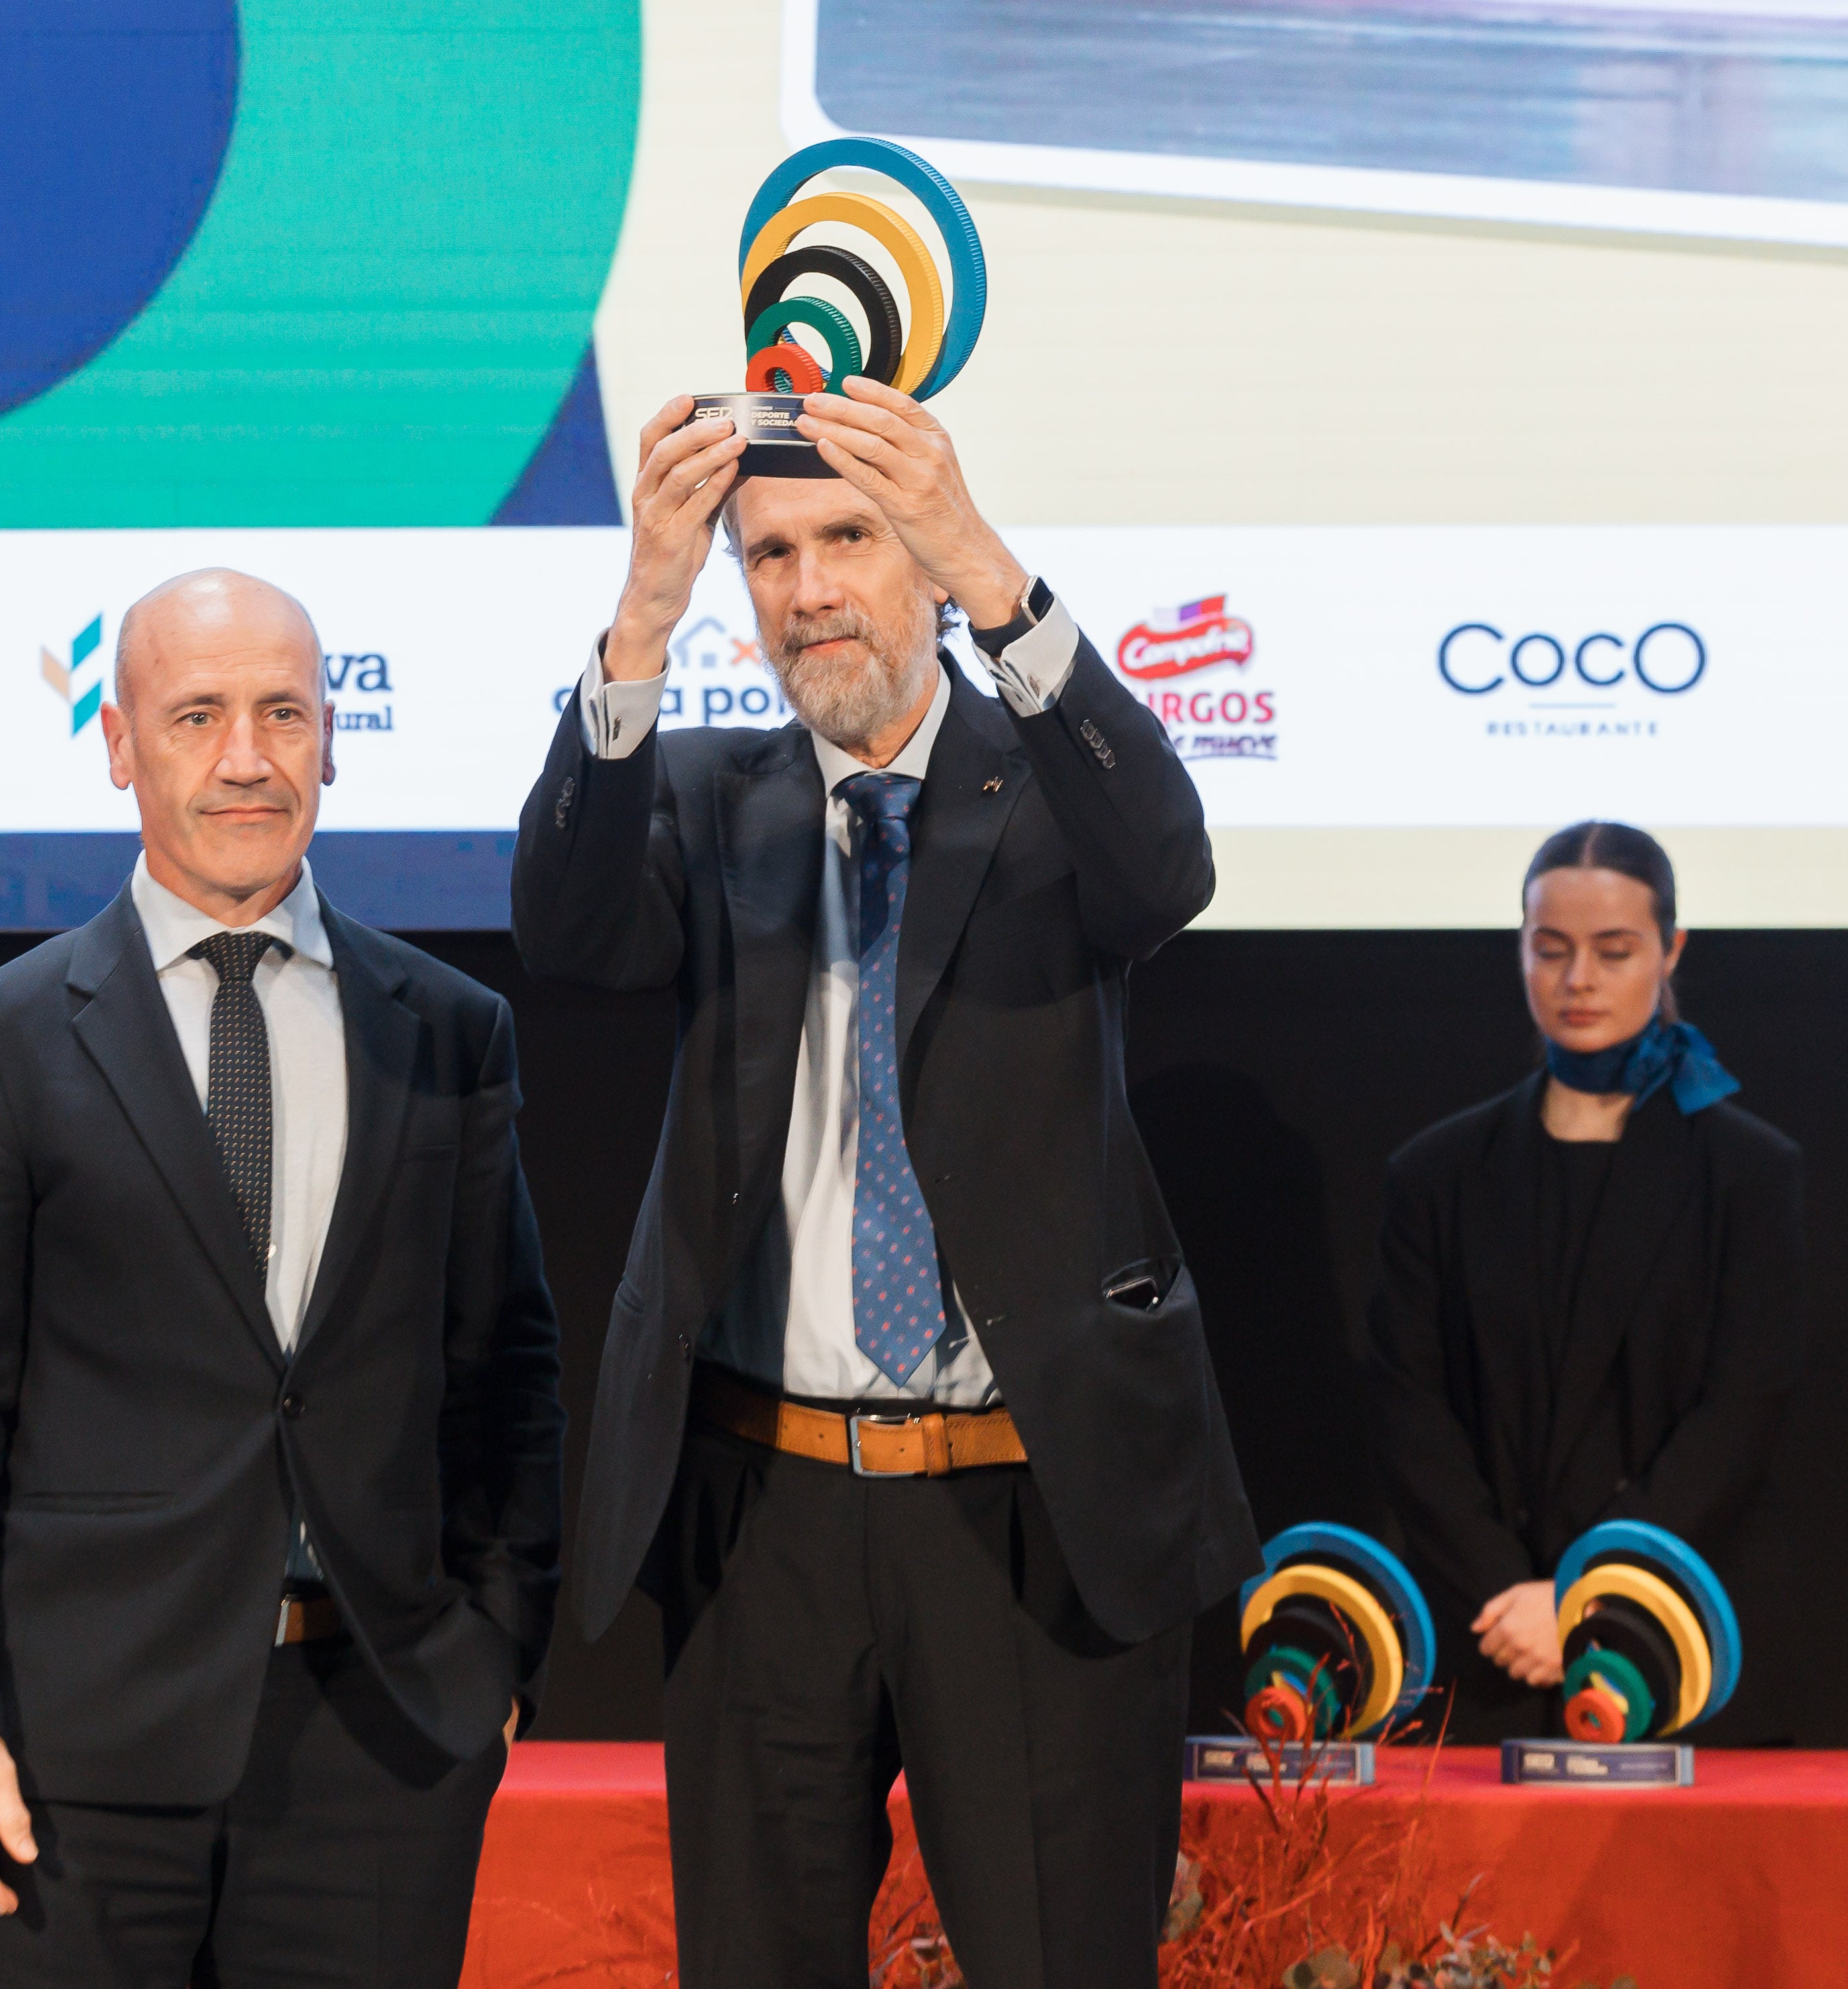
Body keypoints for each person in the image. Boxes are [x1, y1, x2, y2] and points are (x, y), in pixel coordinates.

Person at [511, 377, 1258, 1989]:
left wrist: (989, 560)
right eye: (769, 553)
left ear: (919, 560)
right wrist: (643, 606)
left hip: (1023, 1502)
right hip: (761, 1503)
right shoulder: (714, 805)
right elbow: (569, 934)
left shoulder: (1052, 786)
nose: (809, 589)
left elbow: (1170, 869)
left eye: (850, 536)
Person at [0, 570, 566, 1988]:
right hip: (72, 1755)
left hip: (379, 1742)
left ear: (329, 737)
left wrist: (495, 1654)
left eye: (281, 713)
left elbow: (508, 1369)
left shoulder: (445, 1028)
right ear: (121, 744)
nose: (245, 757)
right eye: (197, 716)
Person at [1360, 821, 1805, 1742]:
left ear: (1669, 950)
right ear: (1519, 947)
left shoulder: (1747, 1173)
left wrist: (1582, 1591)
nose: (1577, 979)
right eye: (1549, 948)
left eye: (1612, 950)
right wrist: (1510, 1595)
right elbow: (1411, 1408)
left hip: (1676, 1638)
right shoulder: (1435, 1172)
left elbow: (1740, 1409)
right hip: (1486, 1640)